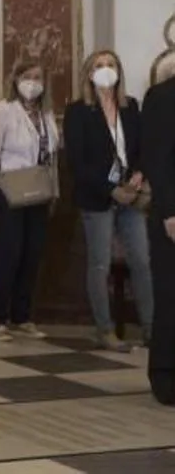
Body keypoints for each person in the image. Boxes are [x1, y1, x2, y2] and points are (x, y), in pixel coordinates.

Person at [64, 50, 151, 351]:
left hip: (132, 194)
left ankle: (152, 329)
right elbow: (78, 161)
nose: (105, 70)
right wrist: (110, 189)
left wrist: (138, 174)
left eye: (111, 65)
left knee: (142, 260)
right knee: (99, 264)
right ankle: (105, 329)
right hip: (97, 196)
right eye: (99, 66)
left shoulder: (131, 107)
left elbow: (142, 148)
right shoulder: (78, 111)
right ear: (89, 74)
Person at [0, 60, 60, 341]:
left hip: (38, 189)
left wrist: (54, 191)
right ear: (16, 79)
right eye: (27, 76)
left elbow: (52, 158)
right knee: (9, 253)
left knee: (32, 254)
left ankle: (22, 315)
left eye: (38, 77)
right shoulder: (2, 111)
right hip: (9, 189)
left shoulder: (45, 114)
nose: (33, 82)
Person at [143, 49, 175, 405]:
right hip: (172, 214)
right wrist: (169, 211)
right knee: (171, 295)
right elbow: (158, 159)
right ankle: (165, 374)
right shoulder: (164, 97)